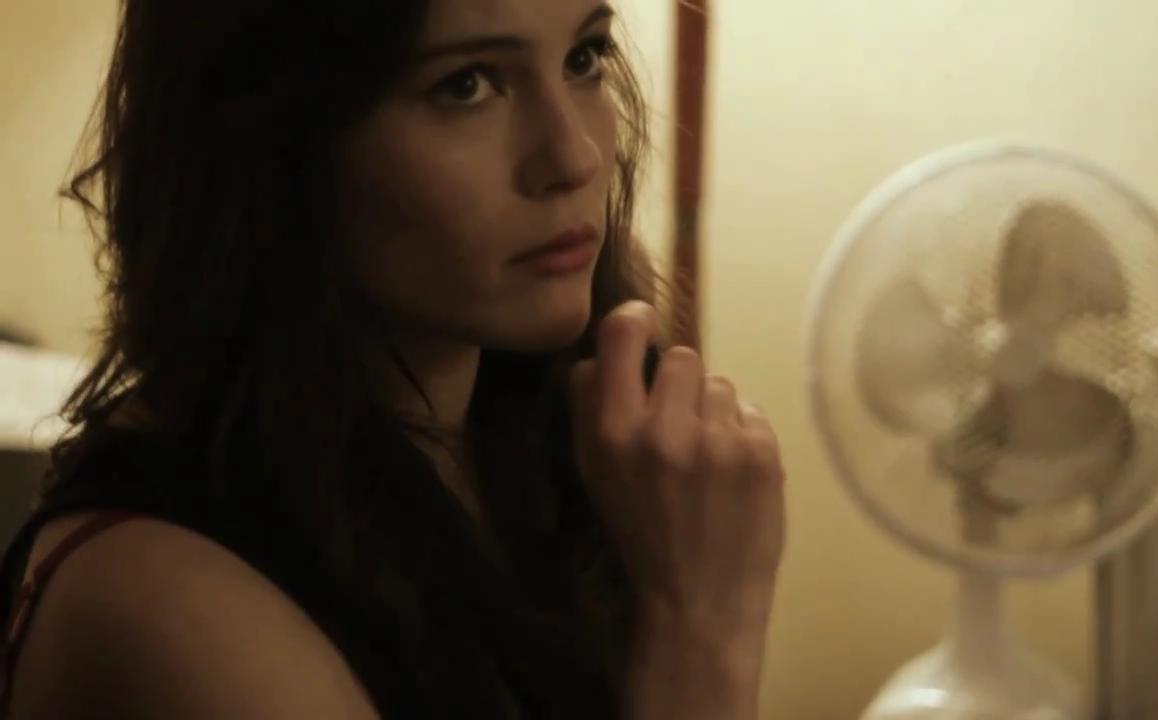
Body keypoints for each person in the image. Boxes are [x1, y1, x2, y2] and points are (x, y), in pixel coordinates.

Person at [0, 0, 787, 718]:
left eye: (583, 58)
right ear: (273, 135)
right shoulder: (172, 607)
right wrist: (699, 632)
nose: (574, 156)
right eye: (466, 85)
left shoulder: (544, 441)